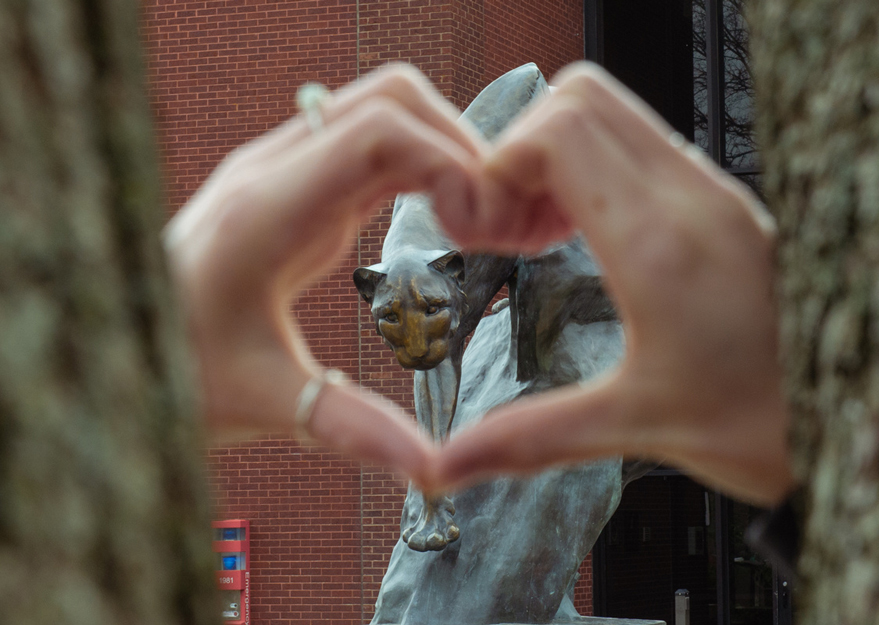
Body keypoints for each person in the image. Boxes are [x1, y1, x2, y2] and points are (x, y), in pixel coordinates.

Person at [164, 61, 795, 515]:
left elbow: (525, 79)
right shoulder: (411, 284)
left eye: (434, 315)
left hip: (535, 161)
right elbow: (434, 360)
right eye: (390, 325)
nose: (420, 334)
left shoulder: (451, 252)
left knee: (552, 290)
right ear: (370, 293)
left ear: (453, 274)